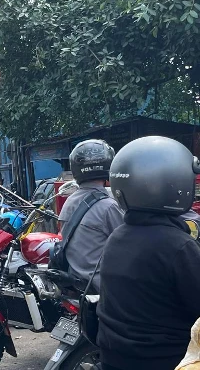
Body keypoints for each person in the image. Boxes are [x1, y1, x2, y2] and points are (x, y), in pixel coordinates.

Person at [97, 136, 200, 370]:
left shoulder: (119, 235)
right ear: (173, 184)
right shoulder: (177, 246)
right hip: (165, 360)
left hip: (115, 358)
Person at [57, 139, 124, 292]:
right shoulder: (109, 207)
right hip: (101, 289)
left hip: (76, 283)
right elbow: (130, 247)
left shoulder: (69, 202)